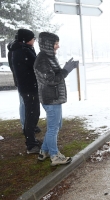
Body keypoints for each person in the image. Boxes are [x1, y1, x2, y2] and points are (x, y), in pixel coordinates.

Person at [33, 32, 78, 166]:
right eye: (55, 43)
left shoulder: (48, 57)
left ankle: (44, 151)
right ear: (48, 44)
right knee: (53, 128)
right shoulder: (42, 60)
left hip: (54, 98)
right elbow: (51, 80)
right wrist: (66, 71)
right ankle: (55, 155)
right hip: (51, 99)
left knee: (56, 126)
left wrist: (64, 68)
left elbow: (53, 75)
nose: (58, 46)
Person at [9, 28, 41, 154]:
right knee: (31, 115)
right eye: (33, 38)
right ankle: (31, 145)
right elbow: (36, 66)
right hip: (29, 88)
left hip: (27, 87)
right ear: (26, 39)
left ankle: (31, 140)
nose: (34, 40)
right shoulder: (23, 51)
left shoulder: (19, 49)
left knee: (32, 114)